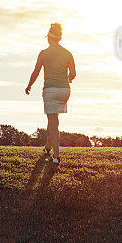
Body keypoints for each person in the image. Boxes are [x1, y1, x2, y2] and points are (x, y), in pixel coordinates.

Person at [26, 23, 76, 166]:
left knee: (53, 122)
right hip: (65, 91)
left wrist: (29, 85)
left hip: (50, 90)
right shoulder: (68, 53)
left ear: (48, 38)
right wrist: (68, 79)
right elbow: (73, 74)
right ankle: (48, 148)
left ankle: (56, 156)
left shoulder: (43, 53)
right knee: (53, 120)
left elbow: (36, 72)